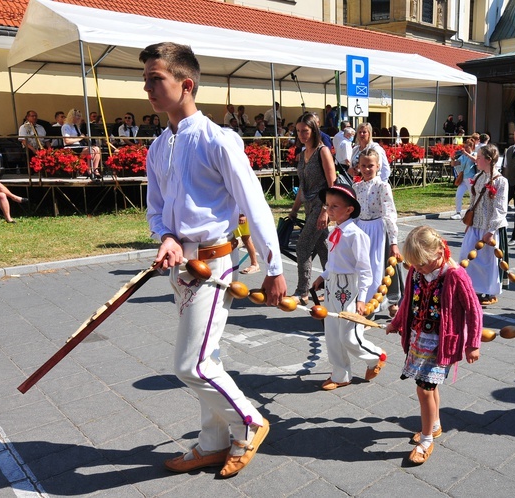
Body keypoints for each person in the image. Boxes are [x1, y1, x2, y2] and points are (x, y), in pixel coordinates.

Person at [140, 42, 286, 476]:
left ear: (186, 84)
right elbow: (156, 208)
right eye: (145, 78)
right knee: (208, 358)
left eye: (155, 78)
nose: (147, 87)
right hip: (181, 268)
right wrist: (165, 237)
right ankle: (212, 441)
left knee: (192, 364)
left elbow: (254, 205)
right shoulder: (158, 146)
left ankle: (250, 421)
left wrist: (275, 269)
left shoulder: (218, 140)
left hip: (214, 265)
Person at [386, 225, 483, 464]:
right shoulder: (416, 273)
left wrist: (473, 343)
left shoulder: (455, 275)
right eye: (414, 265)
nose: (416, 269)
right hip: (418, 339)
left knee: (424, 389)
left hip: (440, 344)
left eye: (421, 264)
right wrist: (396, 322)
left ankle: (427, 439)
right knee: (430, 387)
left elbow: (474, 310)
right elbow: (407, 299)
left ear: (439, 253)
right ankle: (436, 425)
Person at [311, 184, 385, 391]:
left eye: (335, 206)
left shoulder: (356, 235)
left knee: (349, 336)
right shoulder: (335, 232)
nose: (329, 210)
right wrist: (322, 277)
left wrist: (361, 298)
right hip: (332, 287)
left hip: (349, 291)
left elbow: (364, 270)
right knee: (332, 333)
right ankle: (340, 374)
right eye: (327, 206)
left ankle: (375, 356)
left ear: (349, 209)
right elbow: (334, 263)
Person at [288, 112, 337, 304]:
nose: (301, 134)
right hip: (309, 206)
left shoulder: (322, 151)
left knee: (302, 246)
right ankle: (334, 287)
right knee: (324, 249)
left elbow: (332, 183)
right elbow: (302, 185)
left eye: (305, 131)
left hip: (321, 205)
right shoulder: (302, 155)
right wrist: (294, 209)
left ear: (314, 130)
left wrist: (326, 210)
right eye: (298, 131)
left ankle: (302, 291)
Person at [458, 144, 509, 306]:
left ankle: (488, 292)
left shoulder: (501, 181)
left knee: (488, 262)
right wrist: (469, 222)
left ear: (488, 160)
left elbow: (500, 208)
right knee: (467, 255)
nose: (476, 160)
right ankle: (472, 288)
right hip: (475, 225)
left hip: (489, 228)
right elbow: (473, 201)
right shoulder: (479, 177)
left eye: (479, 157)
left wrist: (492, 230)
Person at [354, 149, 400, 312]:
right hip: (361, 228)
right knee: (361, 266)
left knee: (376, 267)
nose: (367, 169)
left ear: (378, 166)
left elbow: (389, 213)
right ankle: (360, 302)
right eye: (363, 165)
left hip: (377, 229)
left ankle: (372, 306)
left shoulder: (382, 186)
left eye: (371, 166)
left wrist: (393, 242)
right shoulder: (357, 187)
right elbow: (354, 212)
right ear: (358, 166)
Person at [61, 108, 102, 179]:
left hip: (79, 146)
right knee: (90, 150)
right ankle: (89, 169)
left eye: (80, 116)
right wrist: (80, 137)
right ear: (72, 116)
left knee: (97, 149)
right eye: (77, 115)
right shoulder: (66, 126)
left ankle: (95, 169)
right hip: (71, 147)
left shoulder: (76, 126)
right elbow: (67, 141)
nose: (79, 117)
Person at [450, 138, 477, 220]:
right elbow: (454, 164)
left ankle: (473, 212)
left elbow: (475, 160)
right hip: (463, 179)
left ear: (472, 147)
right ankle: (458, 212)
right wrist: (452, 159)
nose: (465, 149)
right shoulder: (462, 156)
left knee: (472, 196)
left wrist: (466, 153)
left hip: (470, 178)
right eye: (464, 147)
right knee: (458, 195)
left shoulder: (474, 153)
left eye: (467, 147)